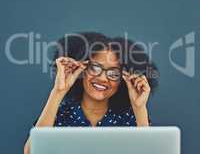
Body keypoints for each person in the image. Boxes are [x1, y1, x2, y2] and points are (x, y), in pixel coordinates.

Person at [24, 32, 158, 154]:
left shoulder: (131, 118)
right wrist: (58, 91)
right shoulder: (59, 115)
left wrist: (139, 108)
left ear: (122, 80)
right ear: (82, 69)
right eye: (94, 67)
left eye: (113, 73)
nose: (102, 78)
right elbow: (31, 152)